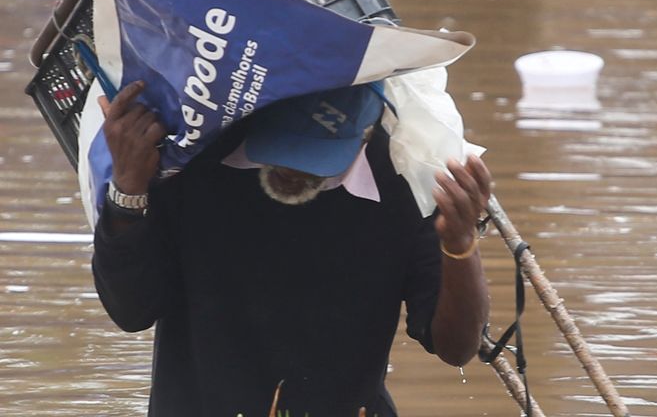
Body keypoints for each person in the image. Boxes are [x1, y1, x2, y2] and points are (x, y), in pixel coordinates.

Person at [91, 79, 494, 416]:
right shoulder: (192, 159)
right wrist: (128, 189)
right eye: (286, 148)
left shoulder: (405, 181)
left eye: (318, 155)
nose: (294, 169)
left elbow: (456, 347)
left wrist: (461, 245)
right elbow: (131, 311)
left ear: (366, 135)